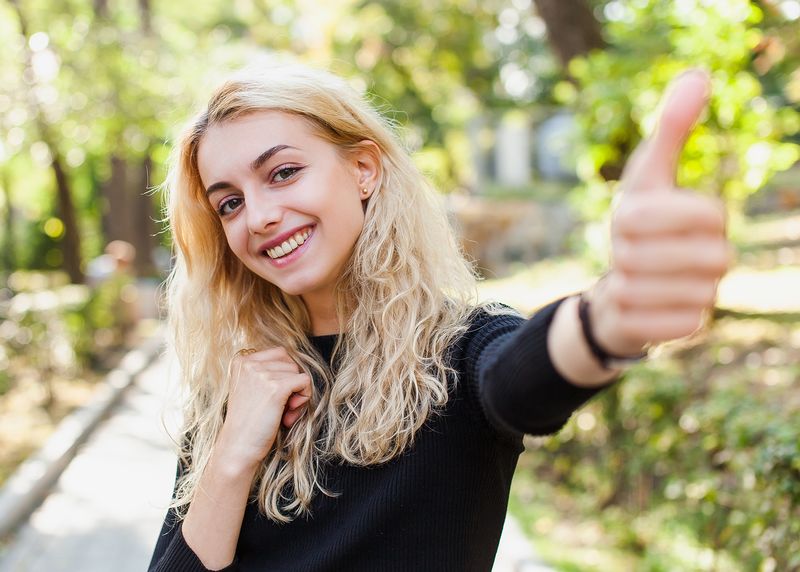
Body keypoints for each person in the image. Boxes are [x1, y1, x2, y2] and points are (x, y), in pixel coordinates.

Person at [147, 64, 729, 571]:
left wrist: (611, 318)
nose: (259, 217)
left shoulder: (460, 348)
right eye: (230, 202)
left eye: (283, 173)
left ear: (364, 170)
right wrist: (231, 455)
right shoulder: (240, 383)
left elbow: (520, 382)